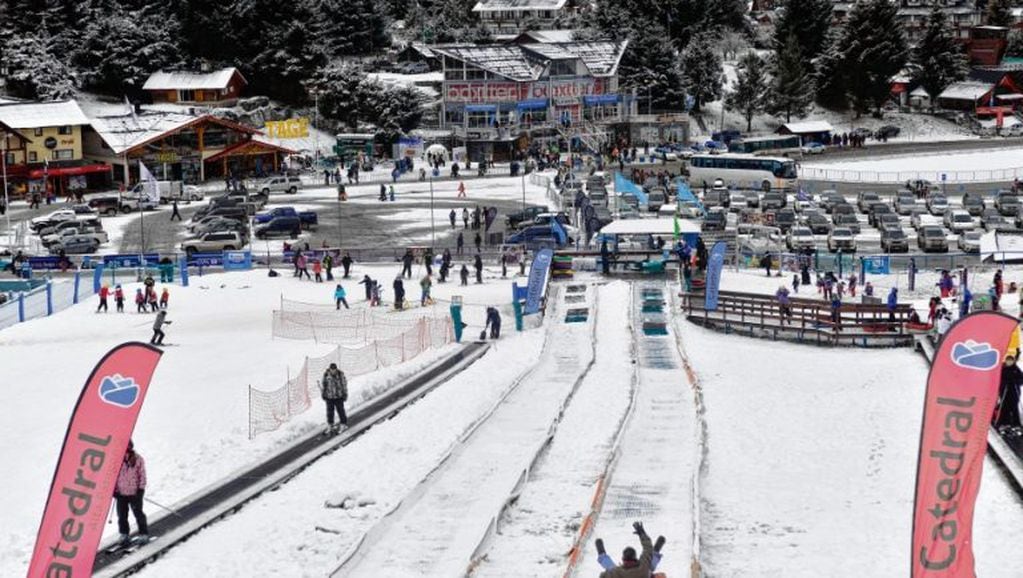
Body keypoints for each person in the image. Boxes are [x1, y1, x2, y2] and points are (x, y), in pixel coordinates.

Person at [595, 522, 659, 578]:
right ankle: (656, 550)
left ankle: (602, 554)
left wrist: (608, 573)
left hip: (616, 573)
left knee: (610, 566)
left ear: (623, 559)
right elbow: (648, 549)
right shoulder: (643, 567)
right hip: (644, 572)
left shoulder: (616, 572)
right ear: (635, 557)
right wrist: (642, 533)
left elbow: (602, 576)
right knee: (650, 564)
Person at [114, 441, 148, 545]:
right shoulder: (117, 460)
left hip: (134, 493)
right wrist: (115, 490)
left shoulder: (138, 459)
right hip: (121, 494)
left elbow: (142, 475)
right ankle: (124, 534)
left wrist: (141, 490)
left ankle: (143, 533)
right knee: (122, 515)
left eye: (128, 446)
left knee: (138, 513)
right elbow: (113, 476)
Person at [320, 363, 348, 435]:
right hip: (329, 397)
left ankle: (343, 424)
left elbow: (344, 385)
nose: (333, 371)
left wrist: (345, 394)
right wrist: (323, 394)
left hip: (338, 396)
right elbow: (324, 385)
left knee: (340, 410)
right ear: (330, 369)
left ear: (336, 369)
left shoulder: (340, 375)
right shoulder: (326, 375)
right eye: (332, 370)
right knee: (330, 412)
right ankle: (330, 424)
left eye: (334, 370)